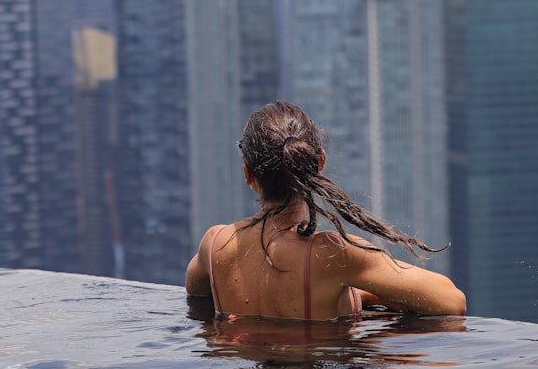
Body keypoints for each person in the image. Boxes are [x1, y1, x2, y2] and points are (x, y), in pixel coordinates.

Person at [185, 101, 466, 321]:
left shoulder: (215, 243)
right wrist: (363, 294)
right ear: (319, 163)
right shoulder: (332, 254)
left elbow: (196, 291)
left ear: (247, 174)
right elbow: (451, 301)